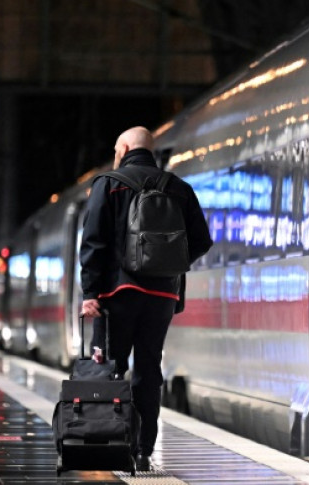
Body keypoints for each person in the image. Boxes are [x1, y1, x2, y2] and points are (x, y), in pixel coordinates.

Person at [79, 126, 212, 471]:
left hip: (116, 295)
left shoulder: (107, 183)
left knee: (109, 368)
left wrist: (91, 293)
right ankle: (142, 450)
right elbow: (201, 241)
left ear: (123, 148)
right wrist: (166, 266)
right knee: (148, 370)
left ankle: (111, 442)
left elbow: (93, 241)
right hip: (161, 296)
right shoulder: (179, 189)